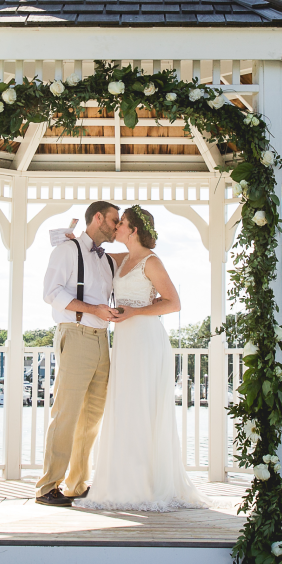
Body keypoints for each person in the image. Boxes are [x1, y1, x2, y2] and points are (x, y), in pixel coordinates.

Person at [74, 205, 210, 512]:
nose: (116, 228)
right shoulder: (121, 260)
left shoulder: (151, 261)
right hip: (124, 342)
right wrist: (73, 238)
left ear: (134, 230)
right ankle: (124, 481)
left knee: (143, 406)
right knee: (124, 406)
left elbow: (173, 303)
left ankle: (148, 484)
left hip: (146, 339)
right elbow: (92, 254)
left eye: (121, 223)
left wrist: (135, 311)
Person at [34, 201, 123, 508]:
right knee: (67, 412)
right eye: (113, 220)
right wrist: (93, 309)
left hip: (102, 341)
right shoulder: (67, 251)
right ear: (97, 217)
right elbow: (51, 293)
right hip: (75, 334)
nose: (116, 225)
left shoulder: (108, 260)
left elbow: (141, 258)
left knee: (91, 417)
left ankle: (75, 483)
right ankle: (47, 487)